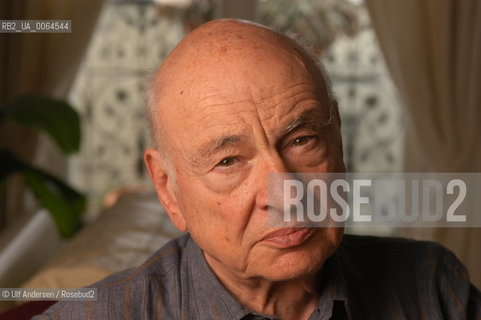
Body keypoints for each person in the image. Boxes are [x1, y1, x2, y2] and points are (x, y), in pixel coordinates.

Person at [34, 19, 480, 320]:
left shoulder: (431, 286)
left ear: (337, 139)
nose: (286, 195)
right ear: (168, 190)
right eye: (228, 161)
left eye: (301, 140)